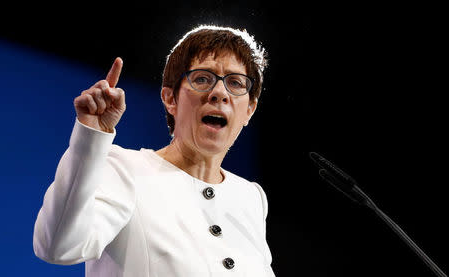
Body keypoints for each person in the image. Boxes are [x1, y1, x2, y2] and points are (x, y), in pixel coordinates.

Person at [33, 25, 275, 276]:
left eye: (236, 83)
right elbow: (57, 246)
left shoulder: (250, 197)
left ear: (250, 109)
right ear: (170, 99)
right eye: (203, 78)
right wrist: (89, 139)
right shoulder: (125, 169)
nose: (219, 93)